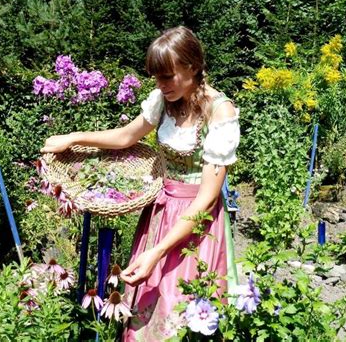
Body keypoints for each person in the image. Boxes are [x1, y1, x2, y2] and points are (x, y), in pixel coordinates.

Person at [41, 26, 240, 341]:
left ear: (193, 67)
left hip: (195, 225)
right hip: (159, 216)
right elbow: (124, 137)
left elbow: (206, 198)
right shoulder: (163, 100)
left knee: (181, 311)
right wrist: (73, 138)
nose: (161, 85)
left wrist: (158, 252)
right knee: (145, 310)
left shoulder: (219, 111)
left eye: (168, 76)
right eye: (156, 77)